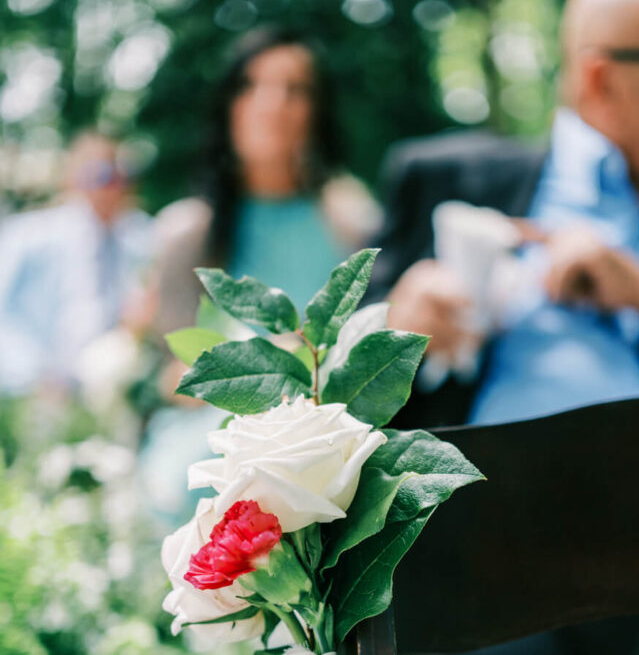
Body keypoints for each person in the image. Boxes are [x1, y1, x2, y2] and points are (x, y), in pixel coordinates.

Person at [362, 0, 639, 655]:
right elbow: (339, 401)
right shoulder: (444, 180)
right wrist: (396, 336)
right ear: (603, 77)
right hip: (488, 588)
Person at [141, 26, 380, 522]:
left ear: (316, 111)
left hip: (326, 426)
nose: (273, 104)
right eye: (253, 85)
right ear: (230, 103)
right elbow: (170, 377)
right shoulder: (188, 233)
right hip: (214, 433)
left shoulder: (349, 220)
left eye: (294, 89)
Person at [0, 132, 153, 394]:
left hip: (112, 389)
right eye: (101, 175)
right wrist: (36, 378)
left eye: (122, 175)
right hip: (35, 390)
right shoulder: (28, 236)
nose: (113, 187)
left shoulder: (141, 238)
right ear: (73, 178)